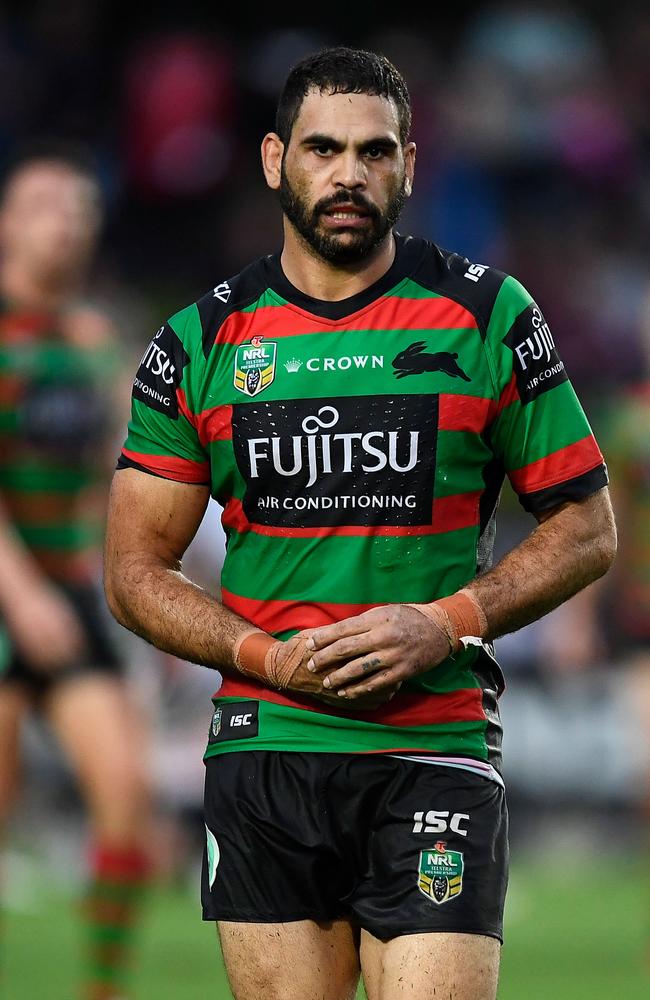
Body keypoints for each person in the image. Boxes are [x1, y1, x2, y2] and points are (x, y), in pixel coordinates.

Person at [104, 46, 616, 1000]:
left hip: (434, 745)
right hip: (267, 748)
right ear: (273, 159)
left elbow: (587, 526)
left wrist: (447, 621)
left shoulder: (487, 315)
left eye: (375, 152)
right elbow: (135, 572)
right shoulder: (199, 342)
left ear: (410, 165)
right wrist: (264, 659)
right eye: (323, 149)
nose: (349, 174)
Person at [0, 150, 151, 1000]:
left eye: (82, 208)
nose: (71, 220)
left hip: (66, 591)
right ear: (9, 226)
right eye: (50, 204)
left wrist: (133, 590)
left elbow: (115, 483)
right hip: (8, 590)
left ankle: (102, 990)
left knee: (127, 793)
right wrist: (18, 595)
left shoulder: (96, 346)